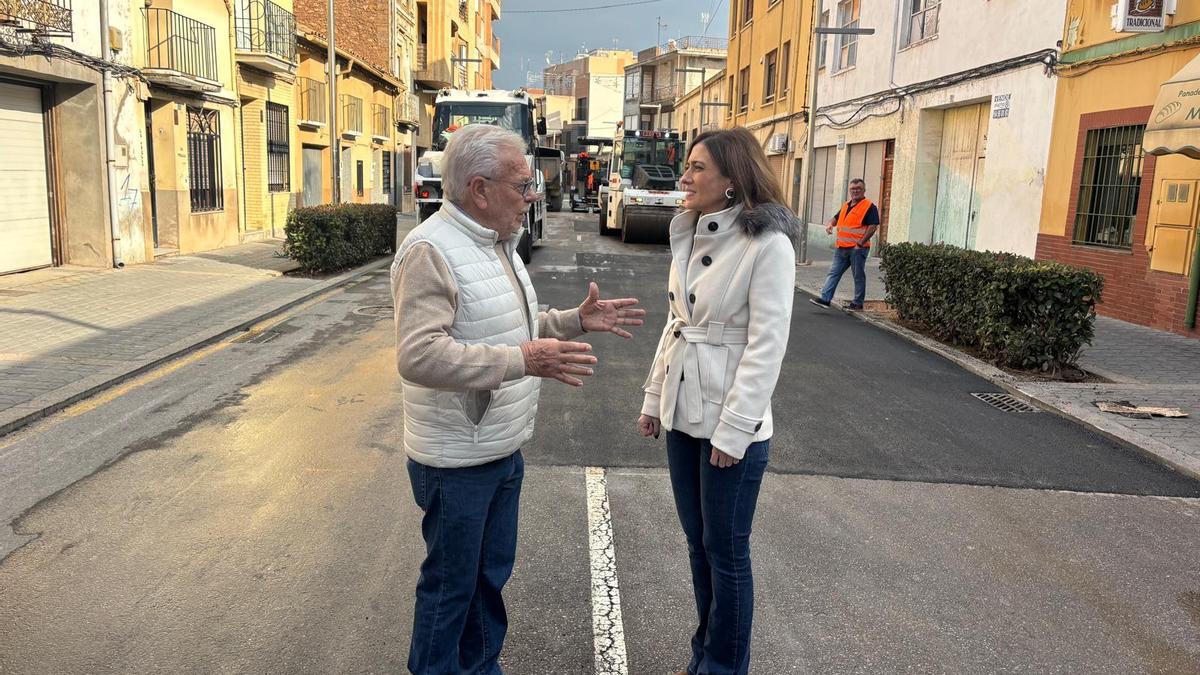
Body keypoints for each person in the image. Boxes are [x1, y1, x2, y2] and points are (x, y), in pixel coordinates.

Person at [391, 123, 645, 675]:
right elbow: (419, 355)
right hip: (456, 460)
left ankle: (481, 668)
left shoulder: (496, 241)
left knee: (486, 580)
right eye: (522, 185)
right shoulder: (431, 250)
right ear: (480, 190)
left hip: (500, 450)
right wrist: (522, 362)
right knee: (450, 589)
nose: (533, 196)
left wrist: (574, 320)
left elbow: (514, 327)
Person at [636, 127, 797, 675]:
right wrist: (655, 397)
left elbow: (766, 348)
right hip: (685, 412)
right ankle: (705, 651)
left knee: (726, 552)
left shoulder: (768, 245)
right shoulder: (689, 233)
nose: (684, 177)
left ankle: (725, 665)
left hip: (732, 424)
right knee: (698, 543)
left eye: (698, 167)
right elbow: (676, 324)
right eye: (688, 165)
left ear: (731, 180)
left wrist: (734, 432)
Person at [809, 178, 880, 311]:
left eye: (858, 189)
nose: (855, 191)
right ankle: (825, 299)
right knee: (833, 273)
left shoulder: (869, 206)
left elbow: (873, 226)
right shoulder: (846, 205)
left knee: (858, 275)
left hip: (857, 249)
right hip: (841, 248)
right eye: (853, 189)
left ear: (864, 190)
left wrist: (860, 243)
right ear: (849, 191)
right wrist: (830, 224)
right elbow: (836, 218)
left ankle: (857, 303)